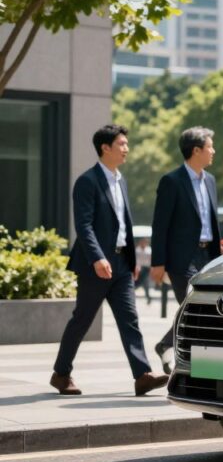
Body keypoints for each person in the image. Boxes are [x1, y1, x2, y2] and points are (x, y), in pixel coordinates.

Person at [50, 125, 169, 396]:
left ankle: (142, 375)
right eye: (122, 144)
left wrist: (131, 258)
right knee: (82, 319)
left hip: (122, 266)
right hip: (96, 265)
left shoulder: (121, 180)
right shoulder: (87, 181)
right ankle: (61, 374)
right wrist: (97, 258)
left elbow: (123, 224)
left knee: (130, 319)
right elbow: (84, 225)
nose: (127, 148)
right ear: (106, 147)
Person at [151, 127, 223, 372]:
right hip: (181, 259)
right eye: (210, 147)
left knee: (200, 310)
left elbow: (211, 221)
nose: (213, 151)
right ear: (196, 150)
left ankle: (166, 345)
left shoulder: (210, 181)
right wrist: (158, 263)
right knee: (197, 308)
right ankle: (203, 368)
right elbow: (160, 226)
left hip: (207, 256)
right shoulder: (171, 181)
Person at [134, 237, 152, 305]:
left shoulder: (149, 250)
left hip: (146, 268)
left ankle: (148, 297)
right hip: (139, 268)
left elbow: (151, 260)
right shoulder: (137, 250)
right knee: (142, 283)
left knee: (145, 283)